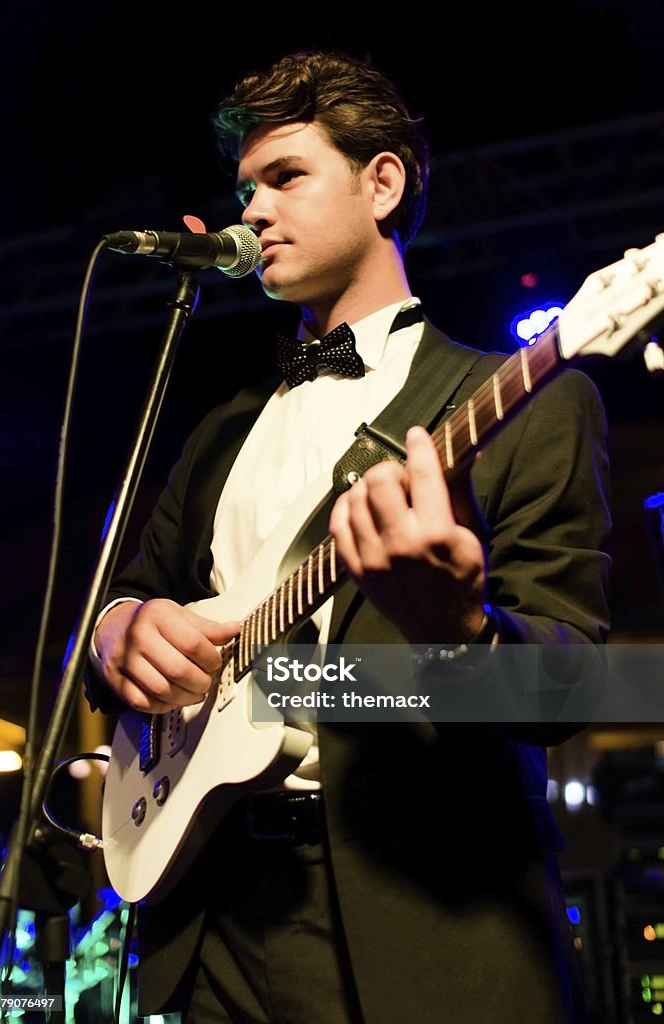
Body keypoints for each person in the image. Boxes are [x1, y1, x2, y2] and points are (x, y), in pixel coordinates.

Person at [85, 49, 611, 1023]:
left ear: (382, 181)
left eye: (284, 177)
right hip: (209, 925)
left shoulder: (528, 401)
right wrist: (119, 627)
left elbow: (583, 683)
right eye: (244, 188)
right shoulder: (219, 430)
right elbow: (121, 609)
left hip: (420, 910)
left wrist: (451, 632)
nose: (252, 211)